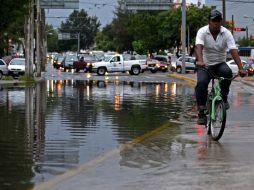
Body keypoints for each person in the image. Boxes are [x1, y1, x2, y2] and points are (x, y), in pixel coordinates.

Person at [195, 9, 247, 125]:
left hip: (220, 63)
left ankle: (223, 97)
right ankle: (201, 111)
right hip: (205, 65)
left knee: (228, 73)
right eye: (214, 21)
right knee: (202, 83)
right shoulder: (202, 31)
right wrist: (200, 61)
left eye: (218, 21)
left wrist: (241, 68)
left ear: (221, 22)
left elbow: (233, 50)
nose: (216, 23)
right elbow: (198, 47)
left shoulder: (226, 33)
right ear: (209, 21)